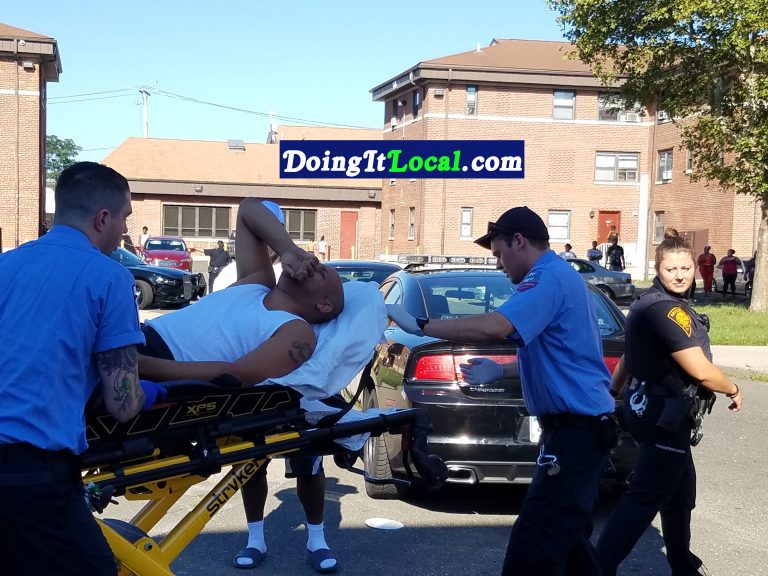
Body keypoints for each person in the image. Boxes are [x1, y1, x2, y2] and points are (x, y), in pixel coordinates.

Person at [386, 206, 618, 575]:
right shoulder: (560, 276)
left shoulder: (547, 278)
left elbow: (496, 326)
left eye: (499, 254)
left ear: (519, 241)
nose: (498, 264)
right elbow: (557, 354)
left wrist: (421, 325)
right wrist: (502, 369)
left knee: (535, 541)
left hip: (576, 432)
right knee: (567, 538)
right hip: (579, 431)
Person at [137, 198, 345, 574]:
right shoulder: (257, 282)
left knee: (299, 464)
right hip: (137, 338)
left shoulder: (296, 333)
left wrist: (144, 366)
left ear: (325, 306)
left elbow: (234, 377)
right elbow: (249, 209)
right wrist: (289, 250)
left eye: (323, 272)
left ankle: (316, 538)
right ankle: (256, 538)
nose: (315, 263)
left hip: (152, 364)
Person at [0, 162, 163, 576]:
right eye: (125, 217)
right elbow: (123, 405)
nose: (125, 230)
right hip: (34, 472)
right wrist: (151, 392)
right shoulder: (109, 277)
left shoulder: (6, 265)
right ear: (102, 218)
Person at [596, 236, 744, 576]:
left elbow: (628, 357)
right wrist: (734, 389)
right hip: (663, 416)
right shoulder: (666, 310)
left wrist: (613, 391)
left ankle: (682, 565)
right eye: (671, 269)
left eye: (685, 268)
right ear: (658, 269)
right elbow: (701, 371)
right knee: (643, 498)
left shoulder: (646, 303)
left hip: (654, 411)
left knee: (679, 494)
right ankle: (598, 567)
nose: (679, 275)